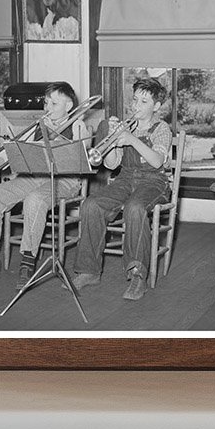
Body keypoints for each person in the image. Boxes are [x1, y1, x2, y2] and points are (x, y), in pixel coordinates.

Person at [0, 82, 89, 287]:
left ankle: (27, 261)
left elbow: (82, 156)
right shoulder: (36, 126)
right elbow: (9, 153)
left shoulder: (78, 125)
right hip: (32, 177)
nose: (47, 108)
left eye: (54, 103)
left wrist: (58, 136)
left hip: (64, 180)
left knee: (34, 200)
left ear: (68, 106)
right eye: (46, 102)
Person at [72, 77, 173, 301]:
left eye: (143, 102)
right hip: (125, 178)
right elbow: (111, 165)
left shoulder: (161, 128)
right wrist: (112, 140)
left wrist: (130, 139)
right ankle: (89, 271)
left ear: (156, 106)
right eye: (135, 99)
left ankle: (137, 275)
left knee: (134, 208)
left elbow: (157, 161)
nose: (136, 106)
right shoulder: (127, 127)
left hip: (154, 181)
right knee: (91, 204)